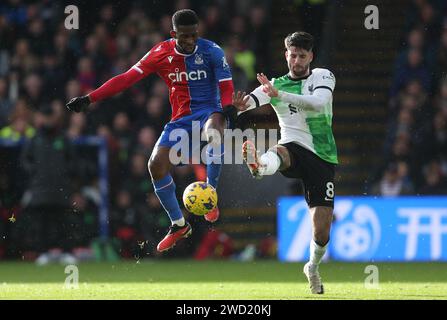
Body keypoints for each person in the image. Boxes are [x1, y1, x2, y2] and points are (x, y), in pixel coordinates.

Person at [66, 9, 234, 252]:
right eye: (184, 36)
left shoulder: (212, 51)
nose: (189, 41)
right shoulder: (160, 53)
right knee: (155, 164)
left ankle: (210, 196)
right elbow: (125, 79)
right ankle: (178, 224)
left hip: (211, 111)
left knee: (214, 133)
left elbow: (226, 87)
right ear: (173, 33)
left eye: (193, 35)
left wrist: (227, 109)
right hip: (181, 119)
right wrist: (90, 98)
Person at [232, 31, 337, 294]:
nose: (297, 61)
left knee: (322, 230)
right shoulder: (274, 84)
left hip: (323, 156)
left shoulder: (323, 76)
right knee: (282, 150)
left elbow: (318, 103)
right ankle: (259, 167)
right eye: (293, 55)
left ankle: (312, 267)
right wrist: (240, 105)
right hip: (294, 144)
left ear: (311, 56)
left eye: (302, 56)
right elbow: (251, 101)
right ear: (286, 54)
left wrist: (280, 94)